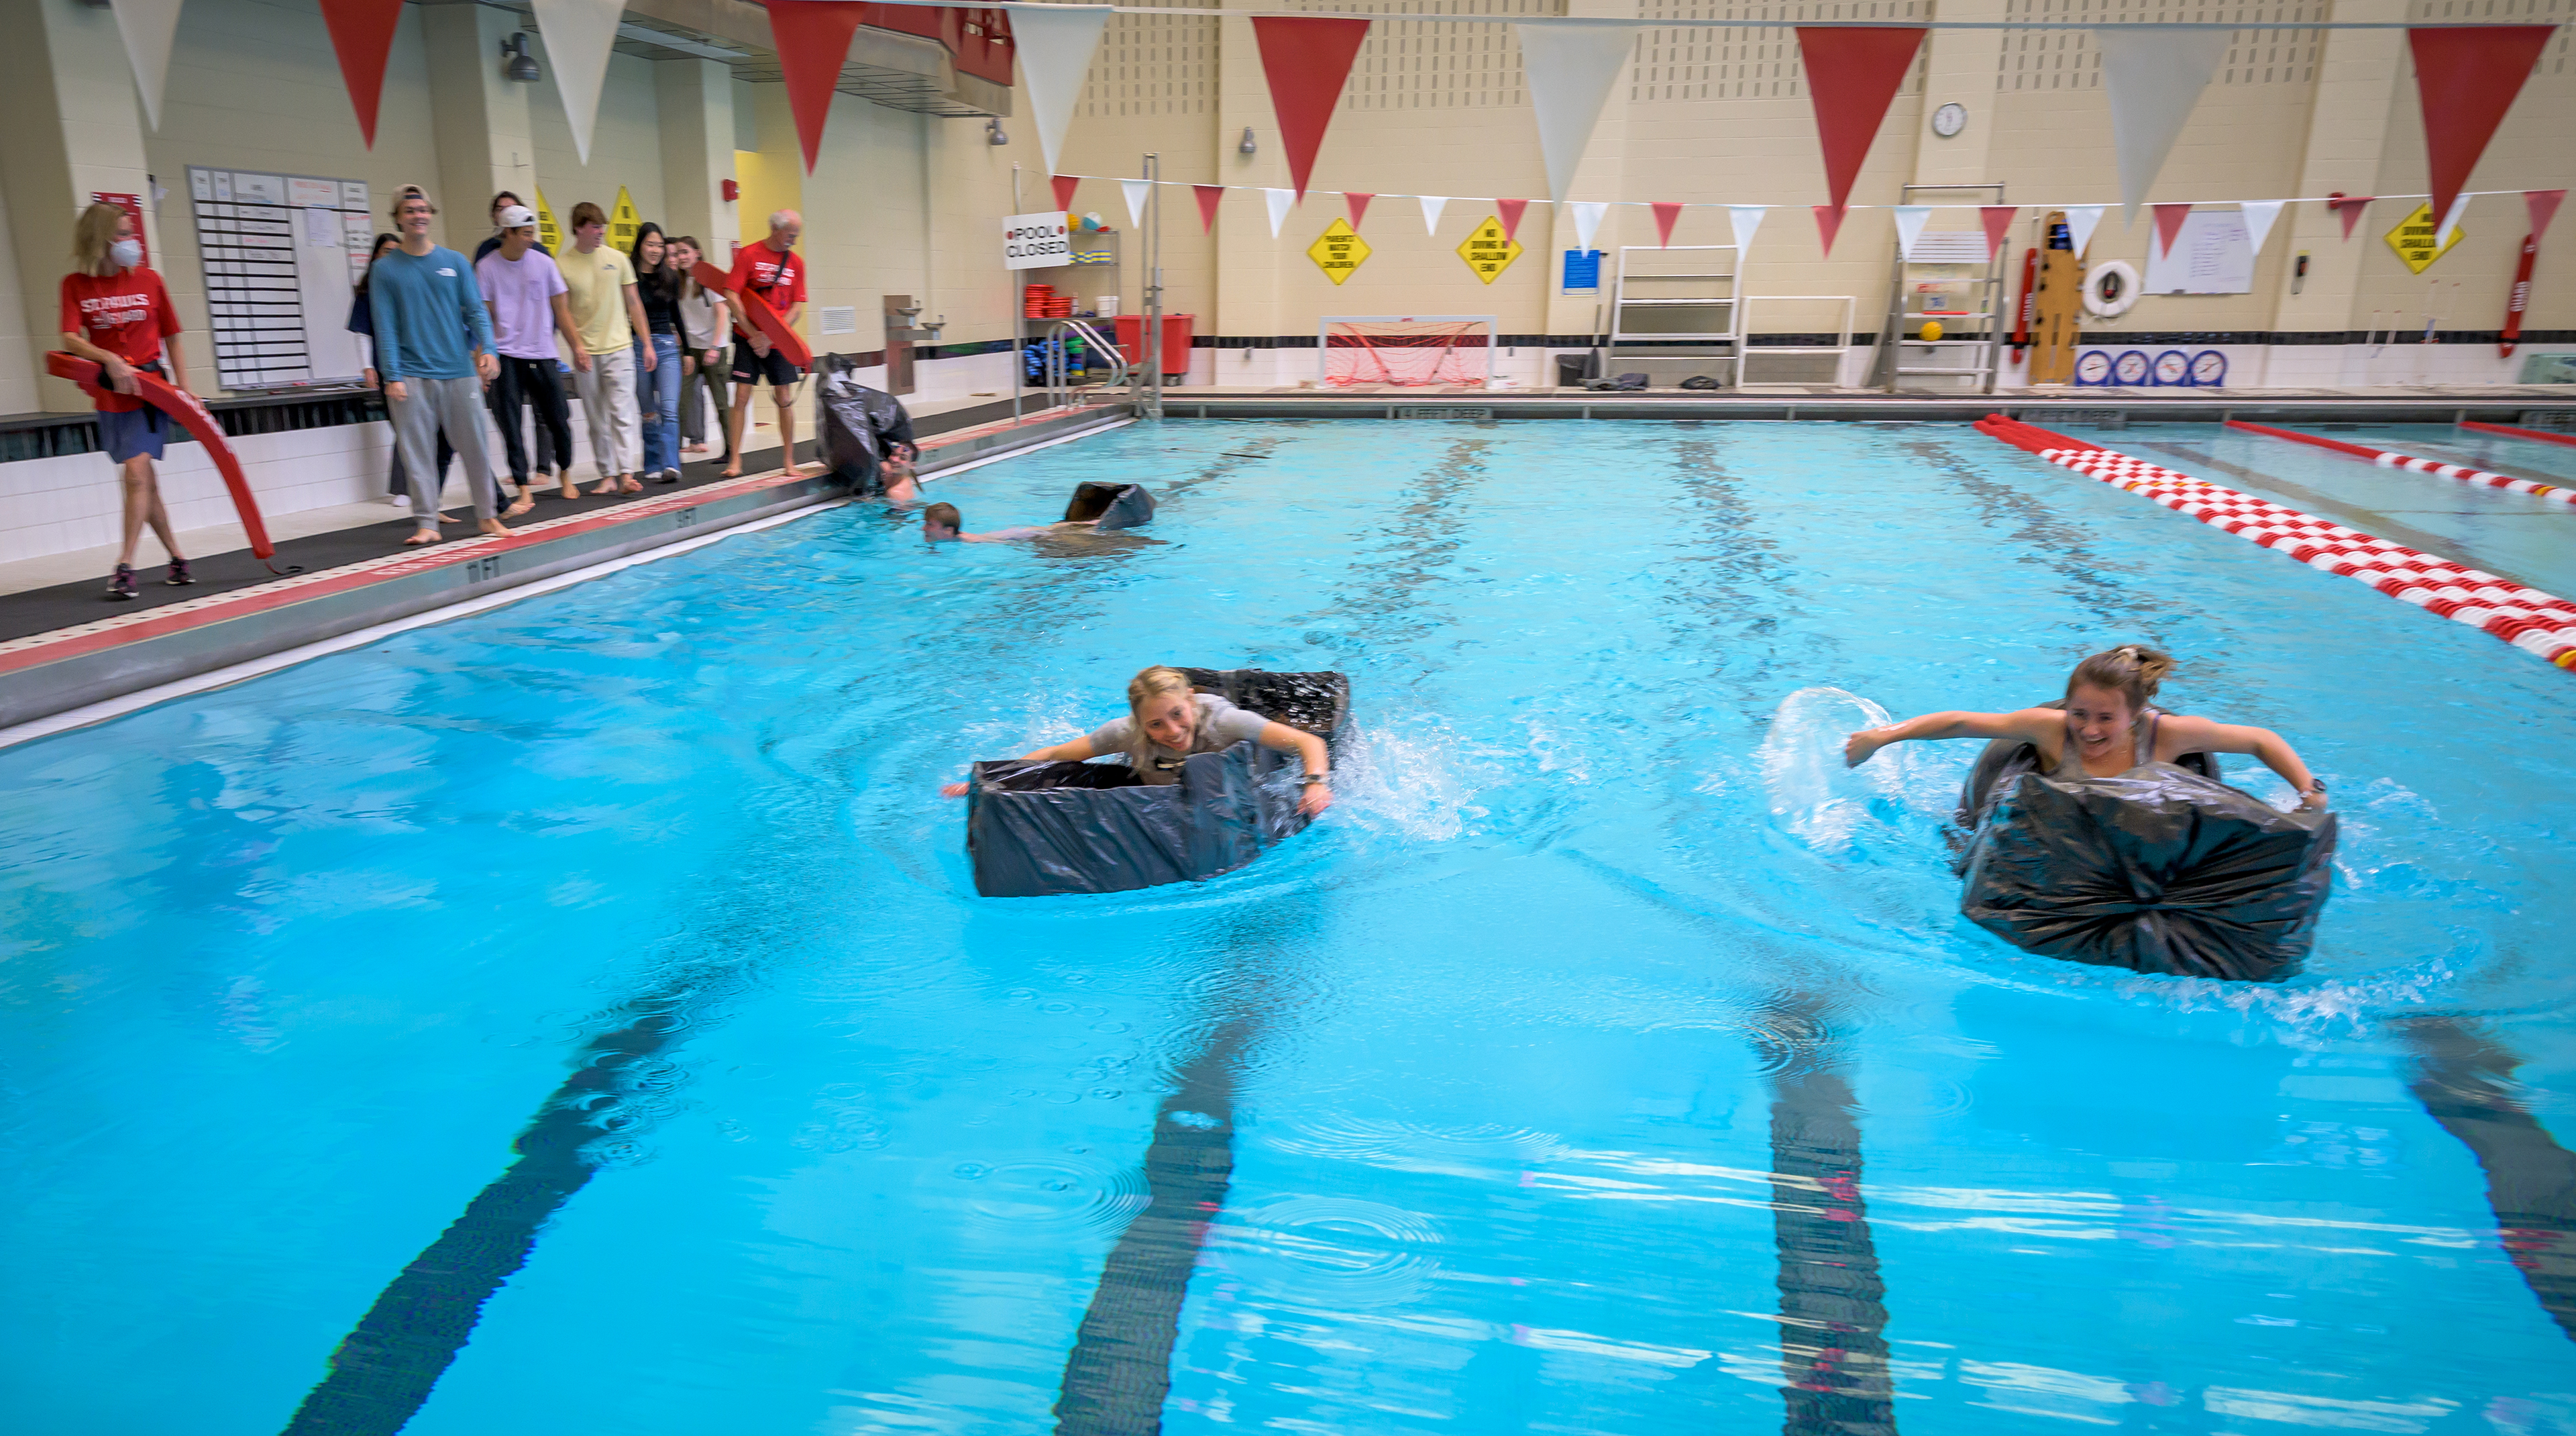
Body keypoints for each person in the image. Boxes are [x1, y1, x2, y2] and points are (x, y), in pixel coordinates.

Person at [1843, 644, 2328, 809]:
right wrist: (1880, 739)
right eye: (2079, 713)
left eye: (2105, 719)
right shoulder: (2052, 730)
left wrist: (2308, 789)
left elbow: (2261, 739)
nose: (2089, 730)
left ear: (2134, 717)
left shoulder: (2168, 737)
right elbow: (1963, 722)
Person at [941, 665, 1334, 815]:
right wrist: (993, 780)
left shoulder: (1224, 722)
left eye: (1177, 715)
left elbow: (1308, 744)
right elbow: (1057, 754)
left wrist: (1316, 784)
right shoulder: (1127, 732)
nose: (1172, 732)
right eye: (1156, 725)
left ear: (1190, 703)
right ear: (1140, 722)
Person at [60, 202, 193, 600]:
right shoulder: (75, 285)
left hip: (150, 390)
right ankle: (178, 558)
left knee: (135, 473)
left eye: (130, 232)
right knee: (145, 482)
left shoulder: (150, 280)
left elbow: (172, 335)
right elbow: (68, 337)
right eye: (122, 234)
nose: (130, 241)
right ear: (100, 240)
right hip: (111, 394)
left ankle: (125, 565)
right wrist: (108, 358)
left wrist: (184, 389)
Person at [369, 185, 508, 546]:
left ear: (431, 214)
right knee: (418, 454)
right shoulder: (385, 270)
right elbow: (384, 326)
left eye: (423, 209)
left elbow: (477, 310)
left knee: (476, 447)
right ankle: (428, 522)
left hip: (459, 372)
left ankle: (487, 516)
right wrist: (392, 375)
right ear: (398, 218)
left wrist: (488, 349)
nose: (418, 215)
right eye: (410, 210)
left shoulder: (455, 262)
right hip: (412, 376)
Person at [476, 204, 586, 507]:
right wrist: (481, 358)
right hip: (506, 354)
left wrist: (576, 346)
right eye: (525, 234)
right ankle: (523, 486)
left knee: (559, 418)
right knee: (510, 423)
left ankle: (565, 472)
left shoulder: (544, 263)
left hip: (542, 352)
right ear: (507, 233)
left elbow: (561, 311)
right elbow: (481, 317)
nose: (531, 239)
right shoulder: (487, 267)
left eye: (532, 233)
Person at [559, 201, 653, 496]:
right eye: (595, 227)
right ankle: (607, 475)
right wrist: (576, 347)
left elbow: (634, 303)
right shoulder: (561, 265)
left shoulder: (618, 259)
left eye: (603, 226)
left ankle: (626, 473)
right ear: (579, 228)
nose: (601, 232)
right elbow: (562, 312)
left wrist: (647, 344)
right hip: (586, 352)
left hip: (620, 348)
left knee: (623, 412)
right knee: (596, 417)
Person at [719, 209, 809, 478]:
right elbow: (731, 295)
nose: (792, 241)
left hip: (778, 340)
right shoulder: (749, 255)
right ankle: (735, 460)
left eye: (796, 236)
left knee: (784, 398)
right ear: (775, 229)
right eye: (790, 235)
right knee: (742, 396)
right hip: (747, 337)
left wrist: (771, 336)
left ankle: (789, 462)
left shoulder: (796, 263)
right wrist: (752, 333)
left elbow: (797, 307)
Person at [629, 222, 684, 484]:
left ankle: (671, 465)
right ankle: (652, 462)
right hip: (638, 346)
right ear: (640, 245)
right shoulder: (629, 276)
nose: (656, 250)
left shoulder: (669, 277)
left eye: (660, 246)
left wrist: (687, 351)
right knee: (648, 410)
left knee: (670, 408)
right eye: (650, 244)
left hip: (666, 347)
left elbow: (677, 314)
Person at [668, 236, 729, 459]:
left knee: (721, 404)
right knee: (680, 401)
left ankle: (731, 451)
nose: (681, 257)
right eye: (677, 254)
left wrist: (714, 346)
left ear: (697, 253)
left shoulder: (710, 280)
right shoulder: (678, 282)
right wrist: (677, 335)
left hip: (714, 348)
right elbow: (677, 314)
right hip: (690, 350)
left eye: (685, 252)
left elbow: (722, 313)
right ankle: (672, 453)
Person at [921, 501, 1041, 544]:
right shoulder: (949, 538)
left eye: (930, 524)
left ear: (948, 530)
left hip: (1012, 537)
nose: (923, 528)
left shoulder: (970, 541)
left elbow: (1005, 542)